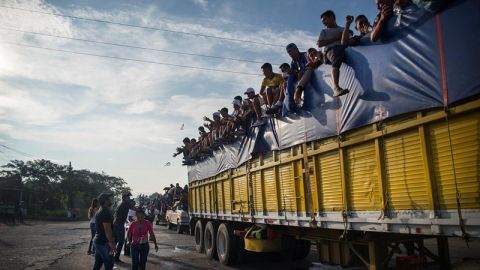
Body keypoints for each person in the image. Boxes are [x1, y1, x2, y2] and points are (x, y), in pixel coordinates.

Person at [317, 10, 350, 97]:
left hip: (342, 49)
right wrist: (336, 38)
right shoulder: (324, 31)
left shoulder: (342, 29)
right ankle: (336, 87)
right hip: (331, 51)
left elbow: (348, 39)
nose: (324, 22)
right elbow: (320, 44)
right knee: (336, 53)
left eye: (325, 19)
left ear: (332, 17)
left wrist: (348, 24)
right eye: (322, 21)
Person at [93, 191, 115, 270]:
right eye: (109, 198)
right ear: (105, 200)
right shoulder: (105, 212)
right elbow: (107, 229)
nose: (111, 200)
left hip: (99, 241)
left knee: (98, 264)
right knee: (109, 264)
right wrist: (112, 243)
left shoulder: (101, 209)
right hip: (104, 243)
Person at [113, 191, 132, 262]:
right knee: (121, 241)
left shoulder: (122, 203)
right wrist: (141, 211)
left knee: (115, 241)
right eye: (128, 197)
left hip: (116, 224)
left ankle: (111, 255)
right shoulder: (125, 204)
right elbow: (133, 208)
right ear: (124, 198)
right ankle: (116, 257)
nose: (129, 198)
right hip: (119, 225)